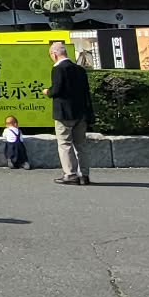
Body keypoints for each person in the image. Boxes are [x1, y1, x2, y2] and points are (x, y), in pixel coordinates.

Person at [48, 39, 94, 186]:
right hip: (81, 113)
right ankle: (84, 175)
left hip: (64, 113)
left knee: (65, 143)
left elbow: (57, 90)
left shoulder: (58, 69)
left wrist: (47, 92)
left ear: (54, 54)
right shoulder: (80, 69)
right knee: (81, 145)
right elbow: (86, 92)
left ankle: (70, 174)